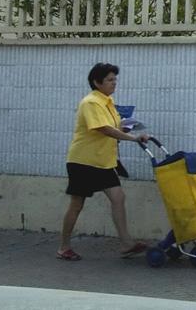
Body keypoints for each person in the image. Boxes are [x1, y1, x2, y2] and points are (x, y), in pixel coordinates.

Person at [57, 62, 151, 261]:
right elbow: (104, 129)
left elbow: (114, 127)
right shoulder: (91, 102)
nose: (114, 83)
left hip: (104, 162)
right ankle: (64, 247)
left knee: (118, 198)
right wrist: (134, 138)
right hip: (84, 161)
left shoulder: (107, 102)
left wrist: (127, 128)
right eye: (109, 80)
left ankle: (126, 244)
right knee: (77, 204)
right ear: (96, 82)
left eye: (115, 79)